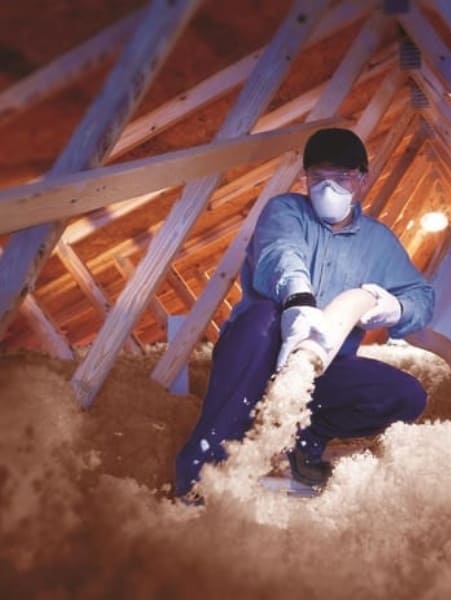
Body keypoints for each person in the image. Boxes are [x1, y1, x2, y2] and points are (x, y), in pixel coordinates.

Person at [174, 127, 435, 497]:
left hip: (322, 366)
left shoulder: (378, 243)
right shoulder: (285, 210)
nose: (328, 188)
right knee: (264, 317)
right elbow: (280, 254)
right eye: (318, 178)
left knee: (406, 395)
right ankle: (205, 465)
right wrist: (298, 300)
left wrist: (397, 308)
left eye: (342, 178)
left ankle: (305, 437)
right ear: (305, 178)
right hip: (257, 353)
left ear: (362, 180)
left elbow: (421, 295)